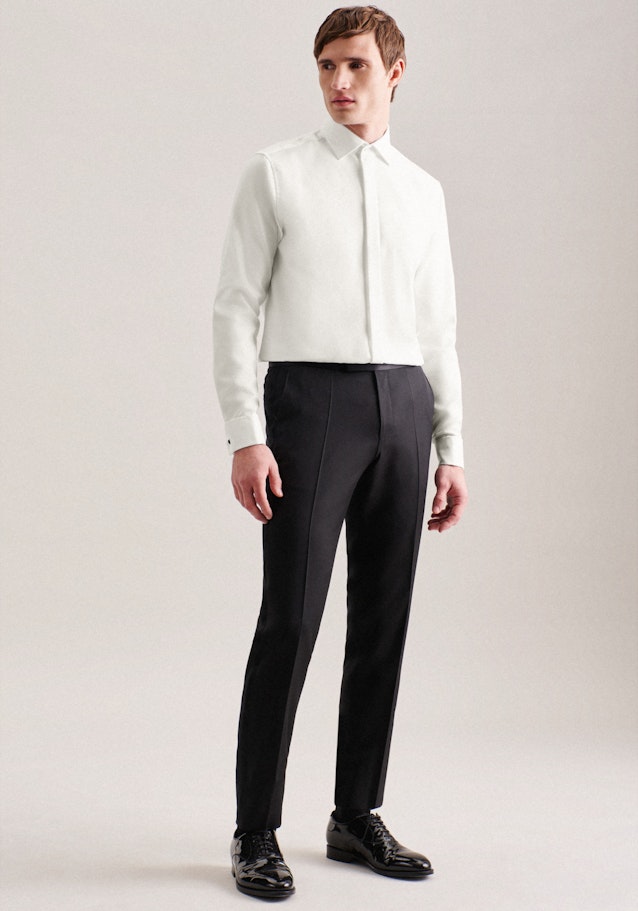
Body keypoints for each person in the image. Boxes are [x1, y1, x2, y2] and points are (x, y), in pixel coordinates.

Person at [213, 5, 468, 900]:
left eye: (356, 64)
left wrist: (451, 445)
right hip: (309, 403)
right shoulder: (276, 172)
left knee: (383, 619)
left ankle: (356, 813)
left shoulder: (422, 191)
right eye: (326, 66)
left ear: (394, 71)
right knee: (290, 617)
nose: (339, 82)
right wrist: (247, 432)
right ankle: (255, 829)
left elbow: (438, 327)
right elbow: (235, 306)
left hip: (404, 404)